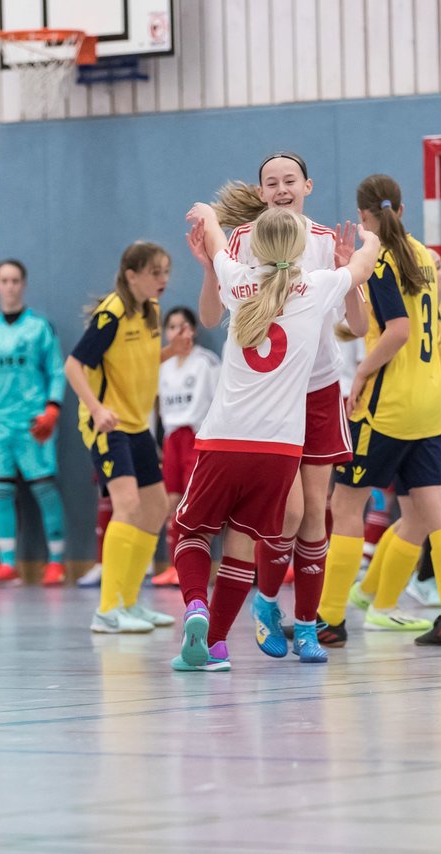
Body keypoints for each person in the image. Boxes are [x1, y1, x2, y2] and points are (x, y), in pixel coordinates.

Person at [172, 204, 379, 671]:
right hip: (282, 448)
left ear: (255, 246)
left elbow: (218, 242)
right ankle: (217, 647)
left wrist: (207, 215)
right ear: (304, 249)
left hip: (226, 437)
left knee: (190, 531)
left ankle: (196, 607)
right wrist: (371, 241)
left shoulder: (237, 279)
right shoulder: (318, 285)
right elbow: (363, 270)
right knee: (245, 541)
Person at [202, 152, 365, 652]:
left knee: (316, 510)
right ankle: (267, 600)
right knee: (286, 515)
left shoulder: (324, 244)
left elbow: (357, 326)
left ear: (307, 186)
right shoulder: (240, 243)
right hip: (264, 399)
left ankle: (310, 626)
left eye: (289, 180)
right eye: (270, 182)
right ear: (259, 193)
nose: (280, 189)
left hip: (315, 389)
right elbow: (211, 315)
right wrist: (210, 266)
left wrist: (348, 270)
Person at [320, 174, 441, 641]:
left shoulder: (382, 260)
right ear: (402, 212)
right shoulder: (426, 257)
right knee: (432, 510)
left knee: (345, 506)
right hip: (428, 408)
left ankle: (328, 619)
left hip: (388, 408)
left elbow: (398, 330)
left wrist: (362, 373)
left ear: (363, 218)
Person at [64, 242, 175, 633]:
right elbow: (74, 365)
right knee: (127, 506)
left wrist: (170, 352)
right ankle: (107, 610)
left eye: (166, 272)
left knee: (157, 506)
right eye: (155, 272)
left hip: (136, 424)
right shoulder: (111, 312)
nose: (163, 280)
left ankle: (130, 603)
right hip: (107, 425)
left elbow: (137, 362)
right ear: (132, 275)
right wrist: (96, 409)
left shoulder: (152, 311)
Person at [0, 260, 69, 588]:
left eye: (15, 280)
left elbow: (56, 369)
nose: (9, 287)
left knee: (43, 487)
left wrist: (52, 408)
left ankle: (56, 561)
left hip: (32, 420)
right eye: (4, 280)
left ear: (23, 285)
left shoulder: (40, 327)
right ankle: (7, 563)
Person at [152, 307, 218, 587]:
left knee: (192, 505)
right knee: (170, 501)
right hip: (171, 439)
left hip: (196, 437)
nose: (178, 332)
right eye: (172, 326)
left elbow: (219, 402)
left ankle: (193, 568)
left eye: (183, 326)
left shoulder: (206, 362)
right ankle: (172, 566)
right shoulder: (163, 365)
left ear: (193, 330)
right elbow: (155, 406)